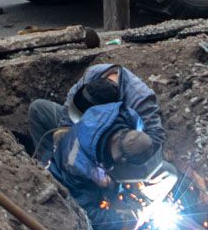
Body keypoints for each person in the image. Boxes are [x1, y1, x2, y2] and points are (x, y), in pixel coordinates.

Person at [47, 102, 154, 230]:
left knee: (168, 173)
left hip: (85, 145)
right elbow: (83, 213)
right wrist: (119, 220)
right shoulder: (78, 167)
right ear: (119, 159)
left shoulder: (123, 116)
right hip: (68, 181)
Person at [28, 64, 165, 164]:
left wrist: (121, 149)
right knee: (38, 109)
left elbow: (156, 137)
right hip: (82, 133)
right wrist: (65, 128)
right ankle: (47, 167)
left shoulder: (139, 99)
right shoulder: (92, 75)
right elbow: (69, 104)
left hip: (115, 145)